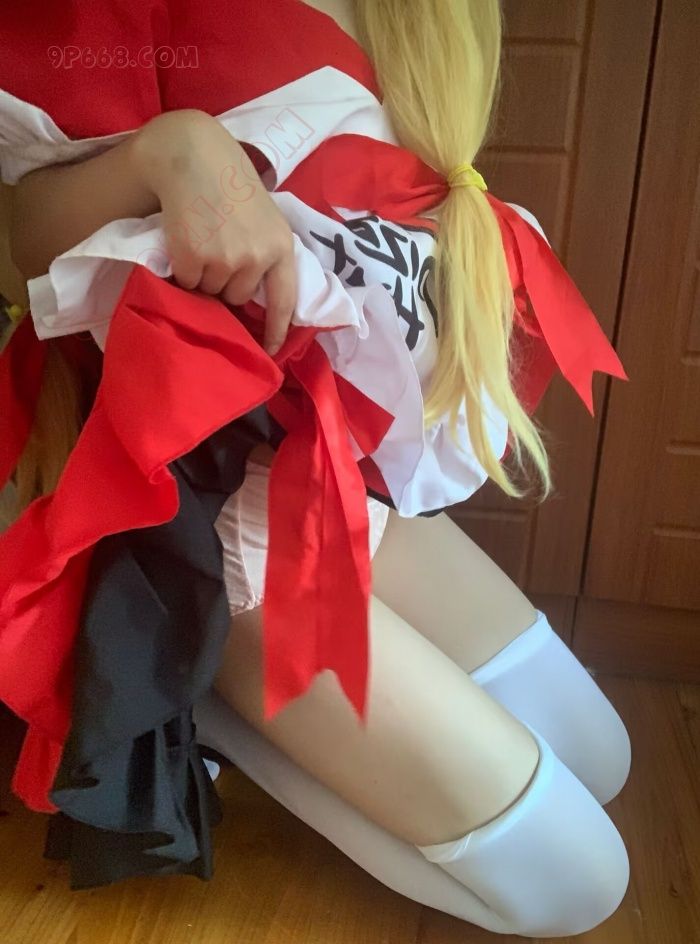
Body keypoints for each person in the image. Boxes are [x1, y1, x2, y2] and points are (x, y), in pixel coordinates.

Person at [0, 0, 630, 935]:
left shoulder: (427, 18)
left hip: (340, 474)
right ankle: (202, 663)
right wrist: (167, 151)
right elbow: (24, 243)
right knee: (584, 884)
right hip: (212, 514)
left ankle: (221, 703)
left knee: (601, 755)